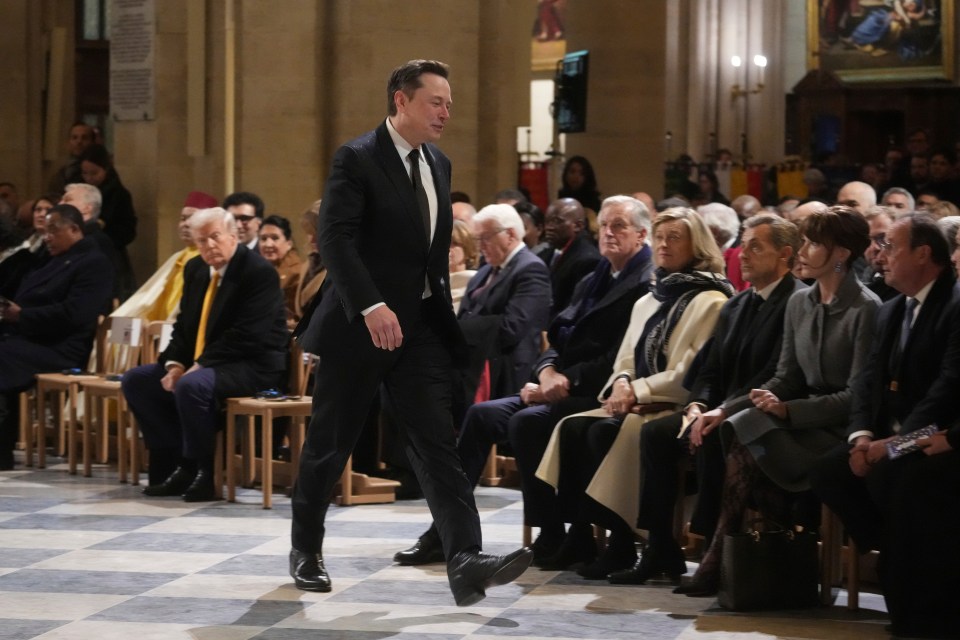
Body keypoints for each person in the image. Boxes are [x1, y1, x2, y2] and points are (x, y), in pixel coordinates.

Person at [290, 59, 532, 606]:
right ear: (401, 100)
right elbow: (337, 241)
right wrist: (371, 304)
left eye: (449, 102)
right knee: (331, 445)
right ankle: (305, 548)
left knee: (436, 443)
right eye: (436, 102)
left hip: (418, 327)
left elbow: (426, 255)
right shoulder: (356, 158)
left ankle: (466, 558)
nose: (446, 111)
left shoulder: (439, 164)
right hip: (361, 326)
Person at [393, 195, 655, 568]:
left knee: (528, 421)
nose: (608, 233)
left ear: (642, 234)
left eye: (619, 227)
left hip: (599, 391)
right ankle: (447, 531)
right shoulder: (595, 276)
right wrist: (547, 370)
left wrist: (563, 379)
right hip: (558, 384)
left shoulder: (644, 282)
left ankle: (559, 533)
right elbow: (558, 333)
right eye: (606, 225)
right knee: (482, 415)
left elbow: (622, 355)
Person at [676, 205, 880, 598]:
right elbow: (786, 376)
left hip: (837, 425)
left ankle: (722, 550)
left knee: (748, 434)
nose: (802, 250)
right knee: (739, 424)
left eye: (814, 243)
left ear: (841, 254)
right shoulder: (799, 303)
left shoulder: (866, 309)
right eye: (802, 240)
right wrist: (743, 404)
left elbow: (857, 396)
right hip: (801, 418)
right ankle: (743, 537)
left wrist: (789, 409)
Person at [534, 207, 732, 578]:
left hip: (672, 403)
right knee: (573, 428)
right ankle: (583, 536)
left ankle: (630, 544)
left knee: (603, 432)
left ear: (698, 244)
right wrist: (623, 383)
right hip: (636, 400)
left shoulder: (712, 298)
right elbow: (625, 356)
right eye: (659, 236)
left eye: (674, 237)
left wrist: (635, 390)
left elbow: (690, 371)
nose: (663, 244)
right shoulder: (650, 297)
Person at [611, 215, 805, 586]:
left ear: (784, 255)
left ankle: (716, 550)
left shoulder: (795, 301)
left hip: (761, 410)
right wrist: (698, 404)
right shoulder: (738, 303)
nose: (743, 254)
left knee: (721, 434)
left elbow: (777, 374)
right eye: (743, 244)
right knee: (657, 434)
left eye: (755, 247)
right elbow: (710, 368)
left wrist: (722, 409)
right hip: (718, 408)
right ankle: (660, 547)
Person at [810, 214, 960, 639]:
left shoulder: (954, 304)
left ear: (923, 253)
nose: (879, 256)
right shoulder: (892, 309)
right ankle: (894, 554)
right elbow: (867, 382)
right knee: (828, 471)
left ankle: (918, 593)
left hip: (935, 435)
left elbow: (946, 392)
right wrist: (861, 437)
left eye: (890, 246)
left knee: (899, 478)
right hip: (887, 436)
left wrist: (894, 446)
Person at [121, 207, 288, 500]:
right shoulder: (196, 268)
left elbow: (248, 336)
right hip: (207, 364)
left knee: (192, 384)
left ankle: (201, 472)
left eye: (215, 237)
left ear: (233, 235)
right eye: (201, 240)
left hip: (252, 365)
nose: (209, 246)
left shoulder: (258, 272)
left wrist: (198, 366)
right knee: (137, 380)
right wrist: (174, 365)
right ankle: (171, 460)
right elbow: (185, 326)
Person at [0, 204, 114, 470]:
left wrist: (22, 316)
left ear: (74, 229)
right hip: (28, 338)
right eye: (46, 231)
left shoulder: (93, 262)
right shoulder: (51, 259)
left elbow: (76, 314)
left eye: (54, 230)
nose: (47, 237)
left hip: (62, 347)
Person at [456, 204, 551, 410]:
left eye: (485, 238)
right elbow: (465, 314)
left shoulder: (531, 269)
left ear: (510, 234)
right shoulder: (485, 271)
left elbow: (511, 328)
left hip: (506, 366)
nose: (480, 246)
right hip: (474, 358)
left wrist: (460, 332)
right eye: (477, 239)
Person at [112, 191, 220, 322]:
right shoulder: (178, 257)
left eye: (192, 218)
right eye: (183, 219)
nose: (185, 224)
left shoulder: (213, 259)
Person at [80, 144, 138, 299]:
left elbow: (129, 230)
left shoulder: (118, 194)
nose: (89, 178)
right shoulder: (80, 191)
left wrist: (104, 235)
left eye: (94, 173)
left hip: (110, 253)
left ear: (106, 169)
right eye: (85, 173)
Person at [539, 198, 601, 316]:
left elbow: (572, 310)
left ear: (578, 226)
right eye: (547, 221)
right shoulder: (544, 254)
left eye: (557, 221)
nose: (549, 227)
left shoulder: (588, 260)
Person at [258, 214, 302, 323]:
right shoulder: (258, 269)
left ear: (289, 243)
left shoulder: (297, 272)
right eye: (263, 238)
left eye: (275, 238)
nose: (268, 244)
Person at [293, 200, 327, 322]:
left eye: (315, 232)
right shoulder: (307, 265)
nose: (311, 239)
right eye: (309, 233)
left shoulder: (345, 268)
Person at [47, 122, 95, 196]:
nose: (79, 142)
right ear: (69, 142)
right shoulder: (62, 172)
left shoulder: (98, 170)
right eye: (74, 138)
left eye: (84, 138)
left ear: (92, 142)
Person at [448, 219, 478, 313]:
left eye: (455, 243)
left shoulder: (477, 281)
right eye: (444, 243)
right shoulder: (431, 283)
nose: (448, 248)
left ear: (468, 248)